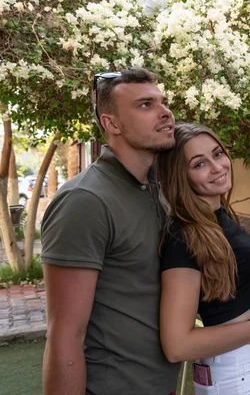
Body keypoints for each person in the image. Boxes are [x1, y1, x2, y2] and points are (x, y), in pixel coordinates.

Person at [41, 67, 181, 395]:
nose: (165, 112)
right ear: (111, 123)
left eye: (163, 102)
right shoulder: (85, 201)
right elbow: (65, 335)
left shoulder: (157, 189)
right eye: (146, 105)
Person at [156, 122, 250, 395]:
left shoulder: (218, 216)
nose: (217, 167)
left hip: (248, 363)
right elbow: (177, 345)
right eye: (199, 164)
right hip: (233, 371)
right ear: (180, 176)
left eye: (217, 154)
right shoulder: (183, 236)